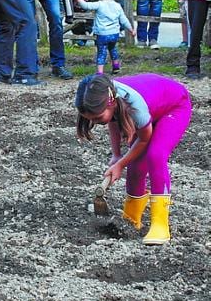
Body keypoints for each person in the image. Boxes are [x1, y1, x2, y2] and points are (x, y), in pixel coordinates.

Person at [75, 73, 191, 245]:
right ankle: (132, 216)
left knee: (155, 154)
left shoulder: (133, 104)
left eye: (97, 118)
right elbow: (112, 121)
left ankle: (160, 223)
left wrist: (120, 164)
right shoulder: (96, 98)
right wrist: (117, 156)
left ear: (112, 103)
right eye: (89, 119)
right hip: (150, 109)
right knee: (136, 163)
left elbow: (144, 138)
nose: (94, 122)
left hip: (174, 107)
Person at [77, 0, 136, 74]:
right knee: (113, 49)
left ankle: (100, 73)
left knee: (101, 52)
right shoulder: (117, 5)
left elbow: (86, 6)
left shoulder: (99, 4)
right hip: (114, 34)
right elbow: (124, 20)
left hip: (102, 34)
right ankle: (116, 67)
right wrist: (131, 29)